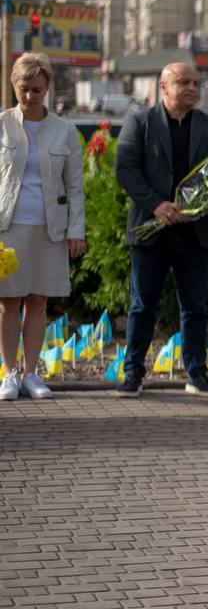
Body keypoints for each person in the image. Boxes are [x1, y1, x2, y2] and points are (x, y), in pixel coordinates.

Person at [115, 62, 208, 398]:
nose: (193, 88)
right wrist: (156, 205)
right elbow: (127, 169)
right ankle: (133, 373)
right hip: (151, 229)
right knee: (142, 305)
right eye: (184, 83)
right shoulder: (140, 121)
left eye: (196, 83)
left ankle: (196, 373)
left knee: (195, 307)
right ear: (163, 87)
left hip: (195, 231)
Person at [0, 53, 84, 401]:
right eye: (24, 89)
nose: (30, 97)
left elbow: (75, 186)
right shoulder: (2, 124)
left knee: (38, 302)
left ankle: (32, 374)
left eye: (37, 90)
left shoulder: (65, 130)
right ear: (14, 86)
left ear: (47, 88)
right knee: (7, 302)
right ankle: (8, 374)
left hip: (51, 227)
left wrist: (76, 229)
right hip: (9, 226)